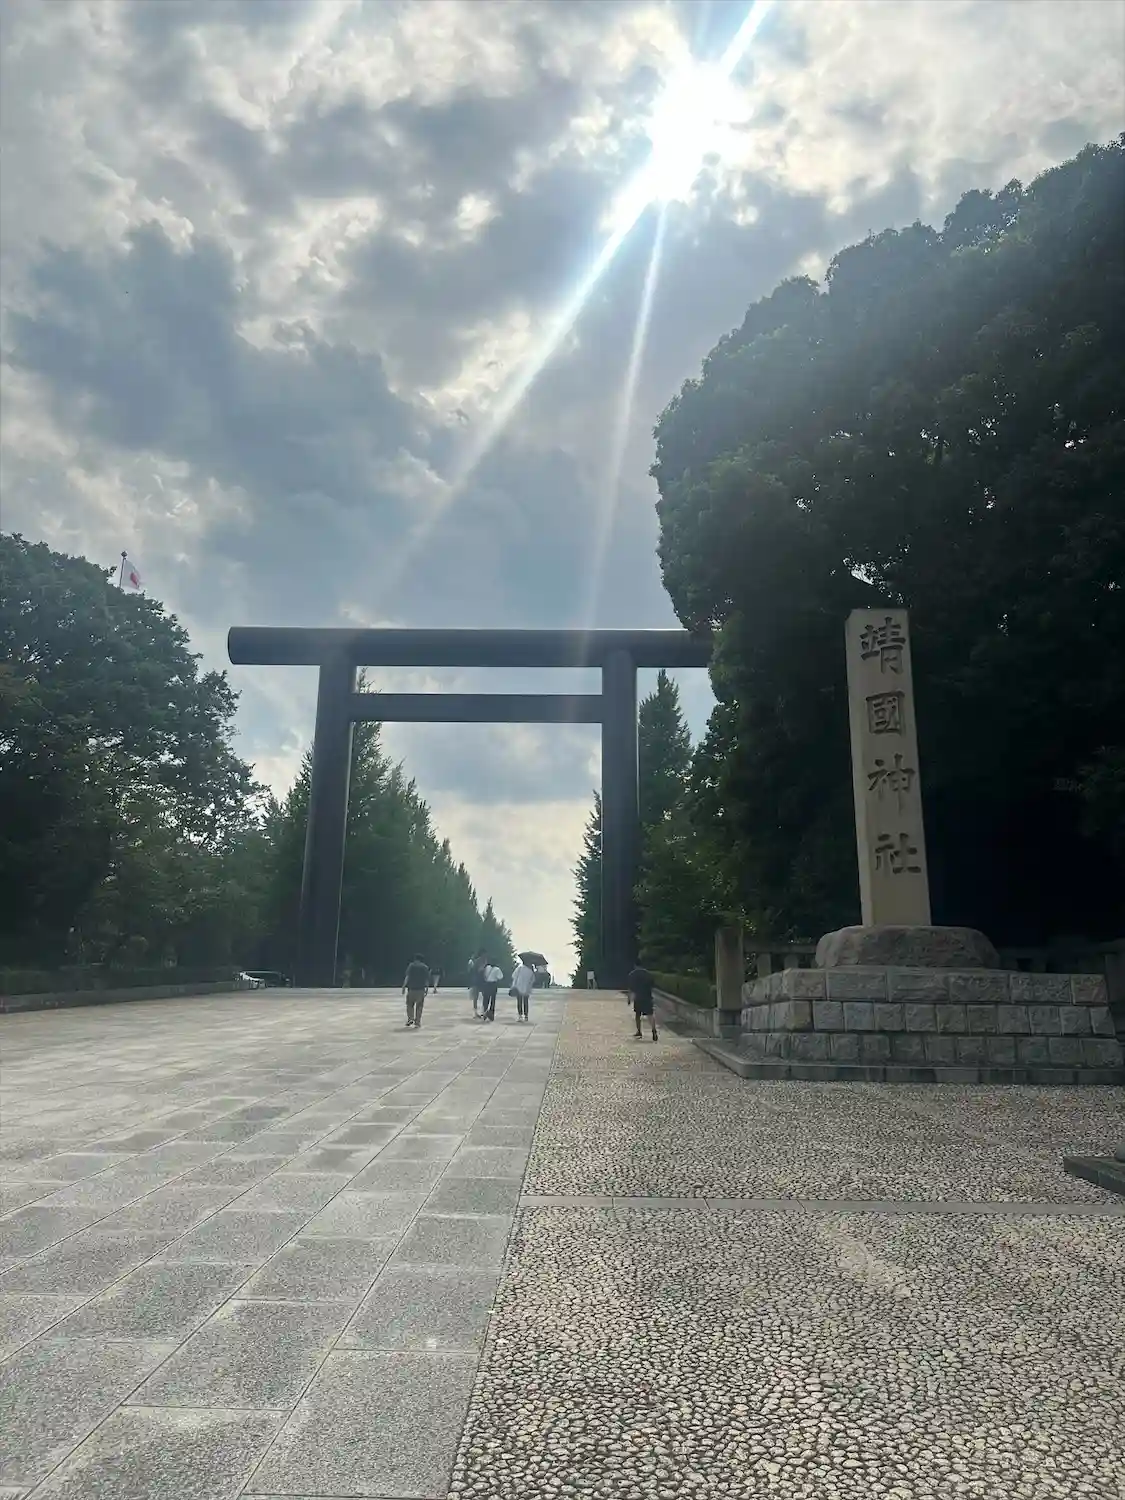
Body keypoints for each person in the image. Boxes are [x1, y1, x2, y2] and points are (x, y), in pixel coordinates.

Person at [626, 962, 658, 1042]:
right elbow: (653, 986)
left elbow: (630, 988)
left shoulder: (632, 974)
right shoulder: (648, 974)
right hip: (647, 997)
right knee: (650, 1015)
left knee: (638, 1015)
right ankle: (654, 1030)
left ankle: (639, 1031)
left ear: (635, 965)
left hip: (638, 998)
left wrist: (629, 999)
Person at [402, 953, 431, 1029]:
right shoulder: (425, 967)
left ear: (415, 959)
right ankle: (417, 1023)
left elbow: (407, 976)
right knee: (419, 1006)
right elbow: (427, 980)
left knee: (409, 1005)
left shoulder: (411, 966)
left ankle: (410, 1018)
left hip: (411, 989)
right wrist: (427, 989)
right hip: (420, 989)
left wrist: (404, 986)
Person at [510, 957, 536, 1022]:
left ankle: (520, 1016)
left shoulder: (519, 968)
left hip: (518, 987)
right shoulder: (530, 971)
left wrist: (513, 985)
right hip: (527, 989)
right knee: (525, 1002)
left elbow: (513, 976)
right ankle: (526, 1016)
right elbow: (533, 981)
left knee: (519, 1002)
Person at [480, 957, 503, 1022]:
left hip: (486, 984)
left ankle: (484, 1012)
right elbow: (500, 977)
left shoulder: (487, 967)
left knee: (485, 999)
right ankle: (491, 1014)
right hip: (493, 985)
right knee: (492, 1000)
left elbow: (483, 975)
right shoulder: (497, 969)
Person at [468, 950, 486, 1017]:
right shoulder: (478, 961)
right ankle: (476, 1012)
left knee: (483, 996)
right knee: (476, 997)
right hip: (478, 981)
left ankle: (482, 1011)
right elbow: (478, 970)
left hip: (480, 980)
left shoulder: (483, 961)